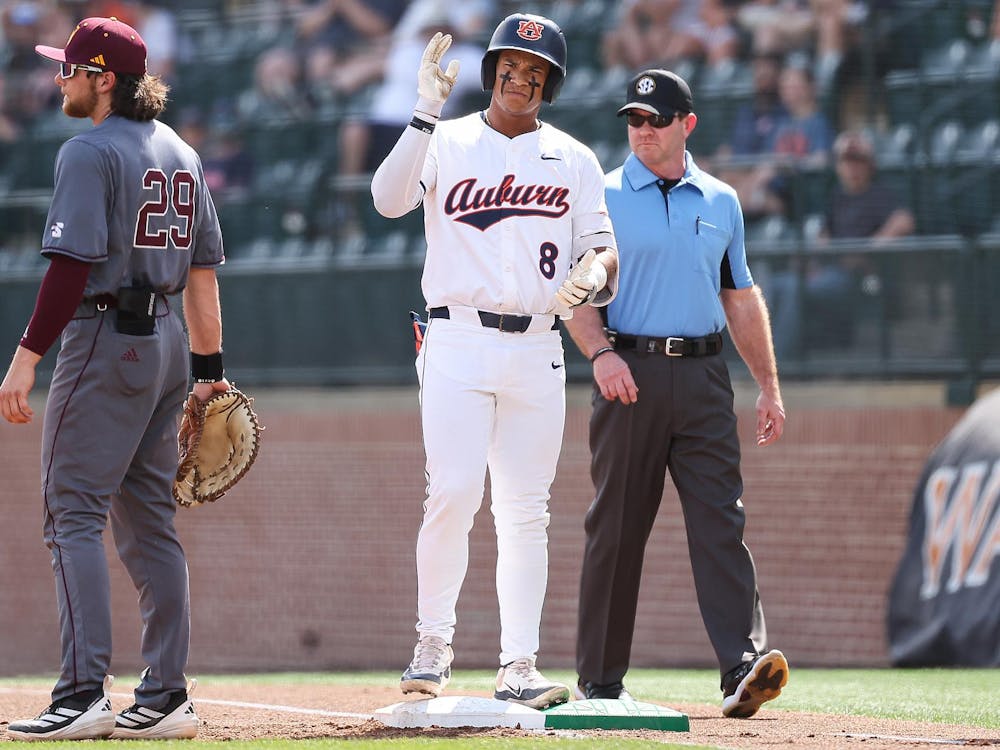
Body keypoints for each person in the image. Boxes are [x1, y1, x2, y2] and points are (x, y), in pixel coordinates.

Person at [371, 13, 619, 710]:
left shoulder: (572, 158)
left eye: (536, 71)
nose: (521, 78)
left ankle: (519, 663)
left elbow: (606, 251)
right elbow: (387, 201)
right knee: (452, 491)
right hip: (456, 338)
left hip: (539, 344)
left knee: (526, 510)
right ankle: (432, 643)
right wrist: (422, 111)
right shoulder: (446, 140)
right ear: (492, 74)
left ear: (550, 83)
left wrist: (595, 276)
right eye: (510, 66)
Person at [0, 16, 228, 740]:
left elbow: (70, 267)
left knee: (71, 512)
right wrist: (208, 372)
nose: (58, 78)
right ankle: (165, 695)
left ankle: (80, 693)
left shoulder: (88, 150)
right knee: (151, 525)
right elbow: (201, 275)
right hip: (164, 345)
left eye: (69, 68)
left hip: (105, 337)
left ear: (104, 79)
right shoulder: (183, 151)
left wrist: (27, 356)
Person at [565, 69, 789, 719]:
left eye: (655, 120)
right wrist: (601, 354)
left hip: (703, 378)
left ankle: (741, 667)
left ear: (686, 125)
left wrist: (769, 387)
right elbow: (576, 292)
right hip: (626, 374)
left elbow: (740, 299)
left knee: (722, 520)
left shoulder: (720, 201)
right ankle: (601, 683)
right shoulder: (600, 194)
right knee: (617, 527)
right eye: (633, 119)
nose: (641, 130)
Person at [765, 129, 915, 356]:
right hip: (829, 270)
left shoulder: (879, 194)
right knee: (775, 284)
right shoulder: (837, 196)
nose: (853, 168)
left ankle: (782, 359)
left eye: (859, 162)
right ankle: (764, 354)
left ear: (869, 165)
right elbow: (824, 235)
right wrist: (812, 262)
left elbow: (905, 220)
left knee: (795, 288)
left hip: (857, 278)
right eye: (847, 162)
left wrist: (869, 248)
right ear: (838, 167)